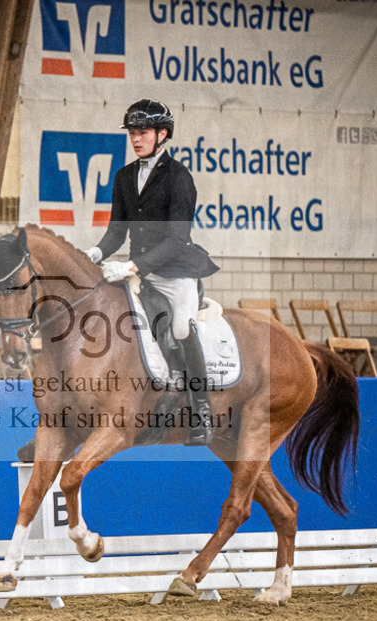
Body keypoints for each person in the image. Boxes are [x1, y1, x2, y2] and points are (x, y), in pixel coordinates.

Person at [84, 98, 219, 443]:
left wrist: (130, 265)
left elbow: (177, 239)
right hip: (138, 274)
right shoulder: (125, 176)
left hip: (176, 273)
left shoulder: (179, 179)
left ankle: (201, 408)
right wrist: (97, 251)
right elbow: (117, 230)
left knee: (180, 328)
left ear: (162, 134)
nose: (136, 138)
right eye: (132, 132)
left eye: (142, 132)